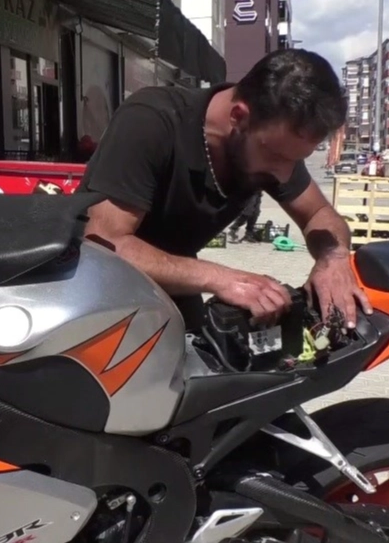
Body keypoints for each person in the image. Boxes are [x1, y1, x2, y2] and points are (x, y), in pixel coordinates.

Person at [77, 49, 373, 332]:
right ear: (239, 117)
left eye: (295, 160)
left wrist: (333, 258)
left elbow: (318, 213)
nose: (284, 175)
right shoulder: (151, 121)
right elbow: (105, 244)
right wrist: (222, 278)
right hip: (93, 302)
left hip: (172, 291)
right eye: (277, 157)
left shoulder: (272, 142)